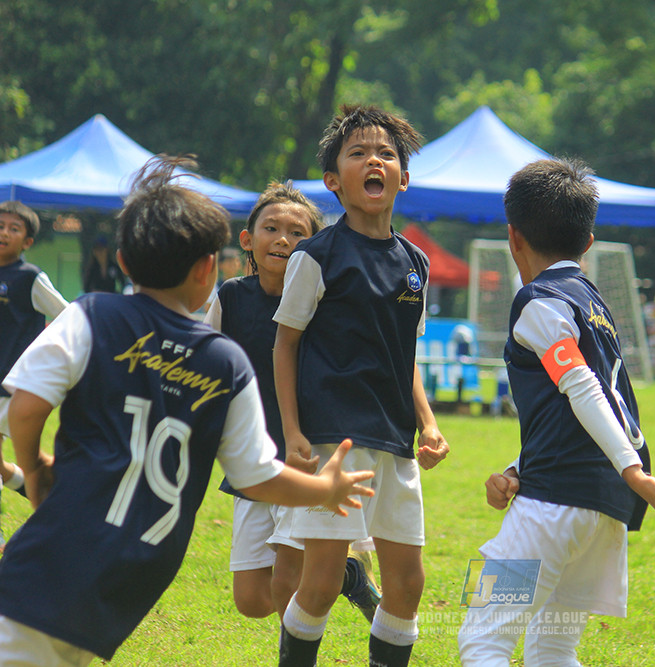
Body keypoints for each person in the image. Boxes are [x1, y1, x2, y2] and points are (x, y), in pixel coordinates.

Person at [0, 156, 374, 666]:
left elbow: (24, 409)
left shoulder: (92, 315)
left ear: (124, 264)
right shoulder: (225, 359)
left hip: (56, 568)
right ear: (207, 272)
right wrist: (327, 490)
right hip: (116, 582)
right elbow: (259, 475)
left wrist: (35, 467)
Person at [456, 158, 655, 666]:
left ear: (513, 237)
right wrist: (519, 469)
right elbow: (587, 400)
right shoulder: (593, 303)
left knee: (482, 639)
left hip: (549, 511)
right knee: (552, 647)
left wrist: (636, 473)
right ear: (588, 242)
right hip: (601, 512)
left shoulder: (538, 302)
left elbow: (580, 384)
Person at [273, 105, 450, 667]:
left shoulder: (416, 263)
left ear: (403, 176)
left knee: (408, 585)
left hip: (396, 440)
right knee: (321, 583)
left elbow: (409, 357)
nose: (375, 160)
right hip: (334, 441)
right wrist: (294, 432)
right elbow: (286, 344)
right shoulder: (315, 254)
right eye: (358, 153)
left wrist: (429, 423)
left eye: (387, 154)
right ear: (333, 181)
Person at [203, 182, 381, 627]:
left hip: (308, 458)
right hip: (253, 462)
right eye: (271, 228)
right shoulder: (230, 297)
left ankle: (299, 646)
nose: (283, 240)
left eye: (297, 233)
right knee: (252, 600)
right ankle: (344, 574)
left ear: (314, 246)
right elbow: (205, 367)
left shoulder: (326, 304)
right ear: (247, 239)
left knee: (286, 586)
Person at [0, 201, 70, 535]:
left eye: (14, 229)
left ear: (28, 242)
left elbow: (69, 316)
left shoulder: (29, 278)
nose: (4, 232)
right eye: (0, 225)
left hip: (9, 385)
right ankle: (59, 500)